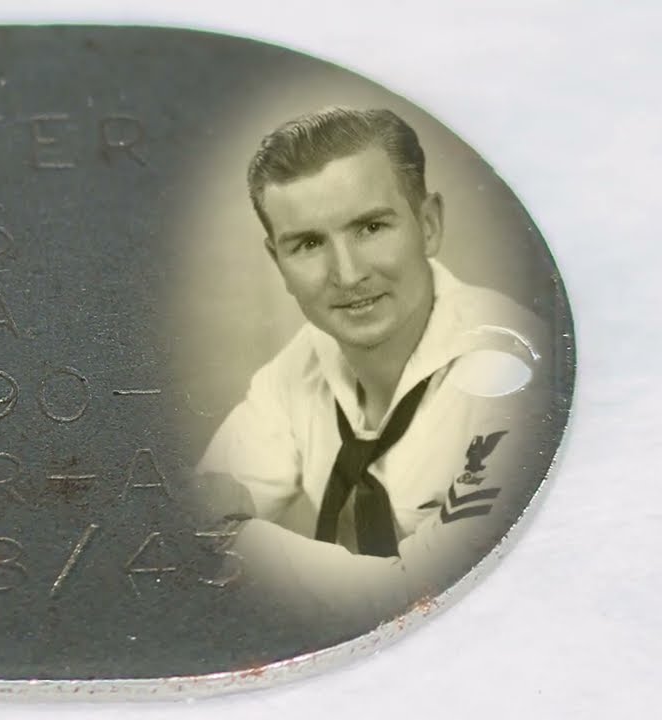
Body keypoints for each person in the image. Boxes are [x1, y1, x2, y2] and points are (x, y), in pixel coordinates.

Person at [190, 107, 547, 616]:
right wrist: (209, 524)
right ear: (279, 264)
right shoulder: (302, 362)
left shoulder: (513, 371)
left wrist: (236, 539)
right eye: (308, 244)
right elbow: (190, 513)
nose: (347, 274)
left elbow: (427, 596)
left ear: (428, 225)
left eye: (371, 227)